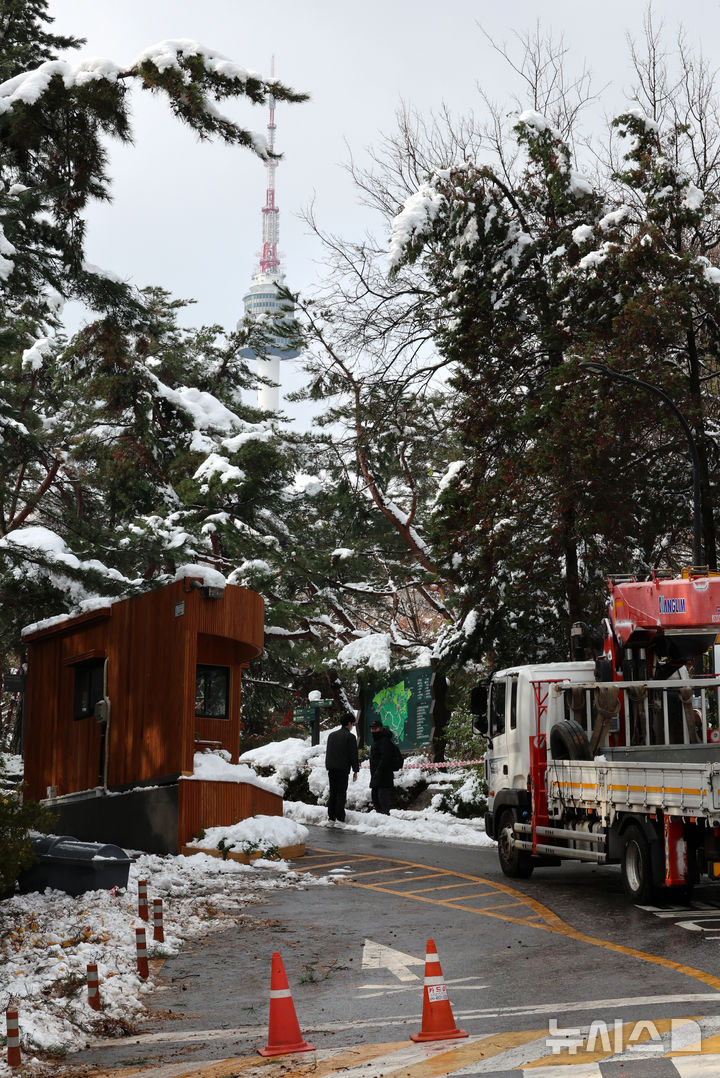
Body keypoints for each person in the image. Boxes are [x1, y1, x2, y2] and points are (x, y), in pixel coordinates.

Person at [324, 712, 359, 823]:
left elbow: (329, 752)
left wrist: (328, 765)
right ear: (349, 723)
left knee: (333, 792)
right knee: (341, 793)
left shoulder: (332, 735)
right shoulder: (350, 737)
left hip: (331, 768)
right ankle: (340, 817)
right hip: (342, 769)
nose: (352, 726)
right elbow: (353, 754)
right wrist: (355, 770)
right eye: (352, 723)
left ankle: (331, 816)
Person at [369, 718, 395, 815]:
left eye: (375, 728)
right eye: (371, 728)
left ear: (380, 728)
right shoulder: (377, 741)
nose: (373, 730)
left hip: (383, 774)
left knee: (382, 797)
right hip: (376, 774)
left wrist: (379, 770)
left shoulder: (384, 741)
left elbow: (386, 757)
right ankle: (380, 815)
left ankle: (385, 816)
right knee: (375, 796)